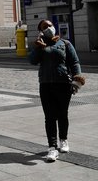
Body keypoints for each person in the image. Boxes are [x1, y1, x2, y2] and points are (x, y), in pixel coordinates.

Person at [29, 19, 86, 162]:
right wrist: (38, 48)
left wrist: (77, 80)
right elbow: (32, 61)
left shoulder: (65, 44)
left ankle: (64, 140)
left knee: (62, 114)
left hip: (63, 84)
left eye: (50, 25)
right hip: (46, 84)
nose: (49, 28)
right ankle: (52, 148)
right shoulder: (40, 45)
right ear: (41, 31)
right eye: (45, 27)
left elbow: (74, 62)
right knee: (49, 117)